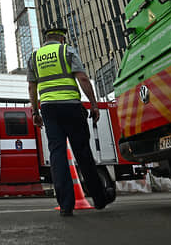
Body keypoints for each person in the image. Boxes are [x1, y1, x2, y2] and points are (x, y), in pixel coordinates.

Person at [27, 26, 111, 216]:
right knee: (82, 152)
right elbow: (82, 78)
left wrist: (35, 112)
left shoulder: (34, 57)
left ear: (46, 40)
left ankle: (65, 205)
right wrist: (94, 104)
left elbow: (32, 88)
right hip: (71, 107)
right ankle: (99, 199)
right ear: (61, 39)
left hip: (49, 109)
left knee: (57, 154)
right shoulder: (67, 51)